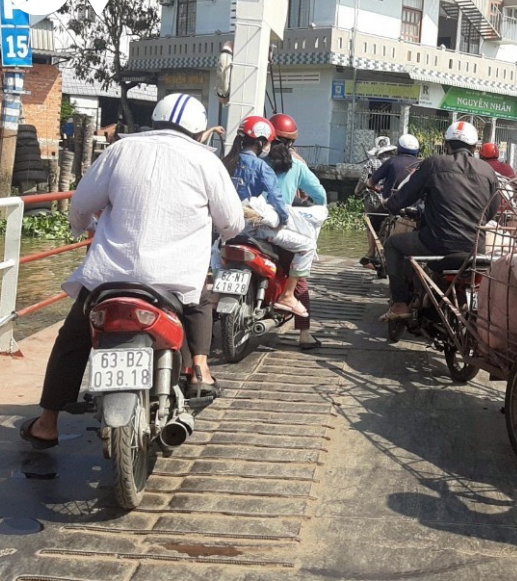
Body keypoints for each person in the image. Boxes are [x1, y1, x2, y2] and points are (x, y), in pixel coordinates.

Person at [20, 93, 245, 448]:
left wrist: (84, 226)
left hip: (108, 280)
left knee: (73, 338)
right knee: (200, 298)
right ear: (201, 133)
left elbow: (80, 205)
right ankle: (199, 367)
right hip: (175, 282)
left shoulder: (119, 150)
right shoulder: (206, 161)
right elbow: (232, 224)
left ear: (153, 121)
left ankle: (47, 423)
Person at [380, 121, 500, 321]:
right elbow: (492, 210)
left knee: (392, 244)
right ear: (474, 148)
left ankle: (400, 304)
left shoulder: (433, 163)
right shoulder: (487, 171)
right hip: (475, 247)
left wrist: (388, 205)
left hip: (436, 243)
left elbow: (405, 196)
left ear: (447, 145)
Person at [224, 115, 313, 318]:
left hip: (225, 228)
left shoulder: (225, 162)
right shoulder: (262, 166)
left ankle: (213, 297)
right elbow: (277, 200)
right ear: (262, 142)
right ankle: (288, 297)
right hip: (255, 229)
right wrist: (282, 219)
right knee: (307, 246)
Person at [267, 113, 326, 350]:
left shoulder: (253, 158)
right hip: (279, 228)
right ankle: (304, 334)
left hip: (247, 225)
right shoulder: (297, 164)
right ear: (292, 141)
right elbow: (320, 195)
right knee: (299, 279)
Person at [357, 137, 398, 268]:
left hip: (374, 200)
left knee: (371, 225)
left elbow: (364, 181)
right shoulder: (394, 163)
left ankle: (371, 252)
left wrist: (357, 191)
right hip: (391, 200)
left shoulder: (372, 163)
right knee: (387, 226)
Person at [370, 133, 422, 200]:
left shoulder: (391, 162)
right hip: (416, 204)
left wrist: (376, 188)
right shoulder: (422, 164)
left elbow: (370, 183)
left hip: (391, 204)